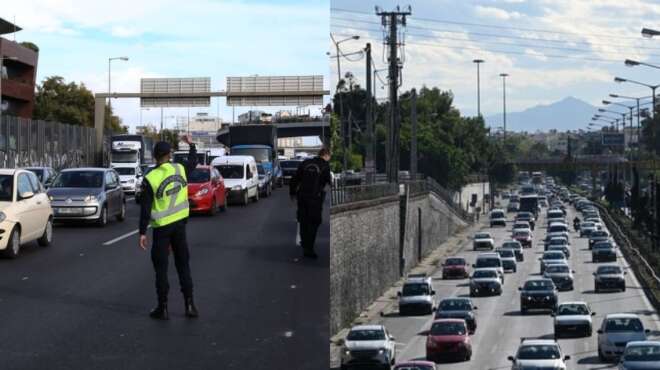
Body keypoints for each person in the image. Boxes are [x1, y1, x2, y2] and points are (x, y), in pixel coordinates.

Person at [138, 134, 199, 320]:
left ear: (155, 157)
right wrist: (191, 145)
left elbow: (145, 208)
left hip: (162, 229)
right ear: (169, 155)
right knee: (183, 266)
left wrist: (142, 232)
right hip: (180, 225)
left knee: (161, 269)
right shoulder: (180, 169)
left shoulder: (150, 178)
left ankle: (162, 307)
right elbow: (193, 161)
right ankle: (190, 305)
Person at [289, 147, 331, 259]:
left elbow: (294, 179)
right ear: (326, 155)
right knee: (314, 222)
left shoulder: (305, 163)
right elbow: (329, 181)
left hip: (302, 197)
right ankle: (309, 248)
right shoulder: (325, 166)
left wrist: (292, 193)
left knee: (303, 220)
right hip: (315, 199)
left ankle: (305, 243)